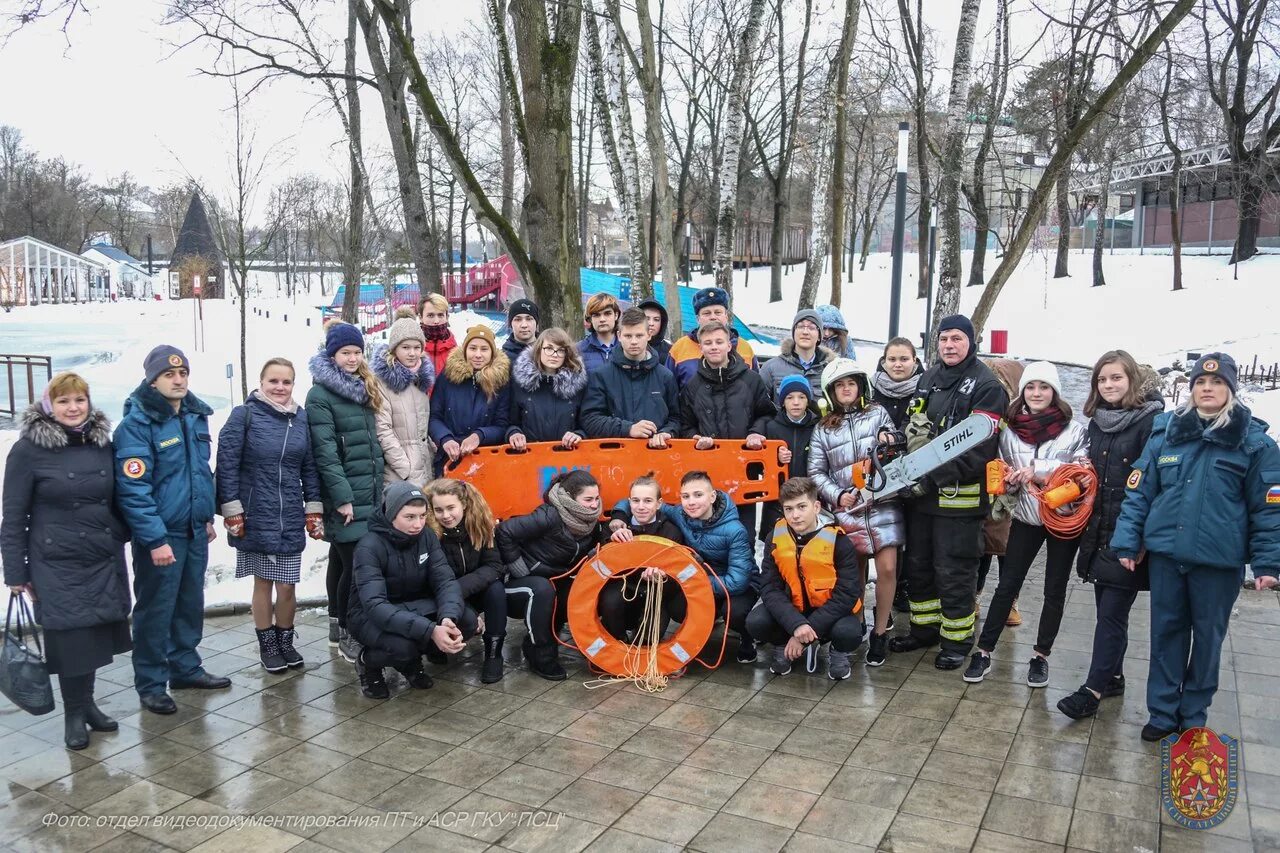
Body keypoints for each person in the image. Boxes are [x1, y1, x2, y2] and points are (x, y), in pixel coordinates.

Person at [1111, 352, 1280, 741]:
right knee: (1166, 634)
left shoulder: (1253, 443)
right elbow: (1139, 493)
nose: (1208, 388)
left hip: (1217, 563)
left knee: (1207, 640)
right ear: (1191, 389)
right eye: (1201, 383)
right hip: (1168, 557)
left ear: (1230, 391)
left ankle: (1193, 713)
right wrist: (1127, 539)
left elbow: (1268, 509)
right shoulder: (1167, 433)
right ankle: (1163, 711)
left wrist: (1268, 564)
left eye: (1217, 383)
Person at [2, 373, 131, 747]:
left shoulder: (101, 443)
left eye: (79, 400)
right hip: (56, 563)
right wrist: (15, 571)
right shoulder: (27, 450)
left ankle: (87, 705)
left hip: (100, 557)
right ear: (48, 406)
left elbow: (116, 498)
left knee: (92, 638)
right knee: (72, 640)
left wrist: (120, 532)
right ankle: (73, 715)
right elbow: (13, 517)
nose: (73, 408)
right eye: (63, 402)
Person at [114, 346, 228, 715]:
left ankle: (185, 668)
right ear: (153, 380)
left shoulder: (194, 416)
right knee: (156, 610)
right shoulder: (137, 425)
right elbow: (134, 489)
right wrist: (155, 539)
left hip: (193, 530)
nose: (178, 380)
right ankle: (150, 683)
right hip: (161, 537)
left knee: (189, 604)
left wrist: (206, 515)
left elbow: (199, 472)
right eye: (169, 375)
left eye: (183, 374)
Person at [890, 315, 1009, 670]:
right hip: (921, 498)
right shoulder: (929, 377)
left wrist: (932, 476)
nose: (949, 345)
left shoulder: (988, 387)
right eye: (943, 339)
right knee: (919, 566)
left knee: (954, 571)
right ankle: (924, 628)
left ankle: (957, 641)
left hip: (959, 499)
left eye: (957, 338)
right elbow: (913, 424)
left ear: (971, 342)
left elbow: (980, 450)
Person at [963, 361, 1089, 686]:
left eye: (1043, 387)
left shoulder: (1075, 431)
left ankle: (1041, 656)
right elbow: (1002, 469)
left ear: (1054, 393)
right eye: (1031, 387)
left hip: (1063, 521)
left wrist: (1038, 469)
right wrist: (1006, 478)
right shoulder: (1011, 431)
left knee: (1054, 589)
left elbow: (1083, 473)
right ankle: (985, 650)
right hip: (1026, 517)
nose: (1036, 393)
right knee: (1007, 585)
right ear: (1023, 392)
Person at [1057, 350, 1164, 720]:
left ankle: (1092, 689)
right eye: (1102, 379)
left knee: (1112, 615)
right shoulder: (1098, 422)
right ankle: (1114, 675)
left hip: (1128, 534)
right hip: (1099, 528)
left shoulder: (1152, 423)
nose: (1109, 385)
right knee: (1107, 609)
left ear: (1131, 380)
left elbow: (1153, 486)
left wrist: (1138, 541)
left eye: (1116, 378)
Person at [216, 358, 325, 673]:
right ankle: (267, 645)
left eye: (286, 382)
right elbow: (227, 463)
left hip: (288, 513)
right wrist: (231, 508)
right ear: (261, 383)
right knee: (263, 582)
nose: (280, 387)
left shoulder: (300, 419)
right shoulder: (245, 415)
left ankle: (286, 641)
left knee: (288, 585)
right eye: (273, 381)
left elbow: (310, 467)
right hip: (255, 513)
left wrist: (313, 506)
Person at [808, 359, 903, 667]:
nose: (846, 389)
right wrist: (838, 495)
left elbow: (896, 444)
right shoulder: (823, 429)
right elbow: (816, 472)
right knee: (854, 573)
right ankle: (857, 622)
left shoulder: (877, 413)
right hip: (847, 508)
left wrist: (892, 440)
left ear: (860, 386)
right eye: (840, 385)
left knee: (888, 568)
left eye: (851, 383)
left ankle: (880, 630)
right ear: (831, 392)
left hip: (881, 502)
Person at [610, 470, 759, 663]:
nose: (691, 502)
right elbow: (642, 500)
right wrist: (619, 516)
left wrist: (694, 583)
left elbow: (737, 581)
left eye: (698, 495)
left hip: (737, 586)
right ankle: (707, 622)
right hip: (701, 579)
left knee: (735, 613)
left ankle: (747, 638)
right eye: (686, 496)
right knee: (678, 608)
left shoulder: (735, 531)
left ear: (712, 496)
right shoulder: (681, 513)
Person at [346, 482, 476, 699]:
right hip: (369, 614)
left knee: (466, 622)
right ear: (392, 514)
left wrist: (446, 619)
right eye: (410, 517)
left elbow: (445, 581)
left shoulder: (426, 536)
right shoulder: (369, 546)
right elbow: (375, 605)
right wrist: (430, 630)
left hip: (416, 603)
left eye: (423, 516)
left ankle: (410, 662)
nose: (418, 524)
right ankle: (368, 663)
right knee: (403, 646)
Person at [307, 321, 385, 663]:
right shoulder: (320, 395)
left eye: (356, 352)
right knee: (355, 565)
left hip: (367, 488)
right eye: (345, 353)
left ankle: (337, 626)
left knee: (341, 560)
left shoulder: (362, 387)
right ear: (332, 354)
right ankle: (351, 632)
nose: (352, 358)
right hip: (346, 494)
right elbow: (325, 451)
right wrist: (341, 497)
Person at [747, 477, 866, 680]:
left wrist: (807, 632)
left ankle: (837, 652)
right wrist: (795, 625)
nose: (795, 515)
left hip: (830, 611)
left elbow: (847, 594)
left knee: (849, 632)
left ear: (816, 506)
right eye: (789, 509)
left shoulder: (839, 541)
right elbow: (769, 588)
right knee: (756, 622)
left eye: (802, 507)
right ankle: (782, 644)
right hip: (792, 609)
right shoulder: (774, 537)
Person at [497, 470, 610, 680]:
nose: (595, 505)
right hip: (519, 580)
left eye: (596, 498)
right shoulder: (549, 515)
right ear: (570, 498)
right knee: (544, 590)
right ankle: (541, 655)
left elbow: (597, 540)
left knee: (578, 594)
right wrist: (518, 568)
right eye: (588, 500)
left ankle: (588, 647)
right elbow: (504, 531)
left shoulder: (590, 521)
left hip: (554, 576)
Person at [679, 320, 775, 530]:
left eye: (719, 342)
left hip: (743, 470)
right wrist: (694, 438)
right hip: (707, 471)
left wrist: (756, 433)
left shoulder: (751, 380)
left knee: (743, 534)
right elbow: (685, 424)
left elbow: (767, 414)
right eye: (708, 342)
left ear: (729, 345)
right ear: (701, 347)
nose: (714, 346)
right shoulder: (692, 387)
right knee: (709, 534)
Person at [426, 479, 509, 683]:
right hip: (443, 595)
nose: (445, 515)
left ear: (463, 504)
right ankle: (434, 645)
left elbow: (494, 566)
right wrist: (460, 602)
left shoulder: (481, 524)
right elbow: (432, 578)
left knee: (496, 589)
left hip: (467, 589)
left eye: (450, 508)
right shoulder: (429, 534)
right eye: (439, 510)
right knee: (467, 621)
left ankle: (494, 652)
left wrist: (457, 591)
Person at [599, 475, 686, 643]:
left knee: (645, 642)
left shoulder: (671, 532)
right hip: (623, 587)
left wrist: (662, 578)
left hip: (655, 592)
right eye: (635, 501)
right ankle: (618, 641)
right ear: (629, 502)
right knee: (610, 600)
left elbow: (678, 576)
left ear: (658, 503)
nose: (640, 507)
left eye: (647, 501)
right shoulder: (614, 527)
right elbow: (598, 565)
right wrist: (611, 542)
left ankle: (643, 645)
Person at [581, 307, 680, 445]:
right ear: (619, 335)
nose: (634, 341)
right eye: (628, 336)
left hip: (656, 455)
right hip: (614, 458)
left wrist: (667, 432)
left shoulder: (665, 376)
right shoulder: (601, 375)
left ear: (649, 335)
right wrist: (628, 429)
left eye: (639, 335)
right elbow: (590, 419)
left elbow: (676, 418)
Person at [975, 358, 1025, 625]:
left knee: (1009, 552)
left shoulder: (1021, 419)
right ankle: (975, 597)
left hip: (1012, 494)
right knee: (982, 549)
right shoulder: (982, 411)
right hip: (984, 488)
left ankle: (1010, 602)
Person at [429, 324, 511, 475]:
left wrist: (479, 435)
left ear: (492, 353)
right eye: (473, 348)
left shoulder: (501, 382)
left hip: (486, 460)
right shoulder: (448, 377)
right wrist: (445, 438)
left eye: (484, 349)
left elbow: (503, 425)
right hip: (449, 458)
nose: (478, 355)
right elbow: (434, 416)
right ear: (465, 350)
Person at [372, 317, 436, 488]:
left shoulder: (421, 380)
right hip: (400, 471)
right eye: (405, 348)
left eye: (416, 348)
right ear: (394, 349)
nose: (412, 353)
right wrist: (404, 467)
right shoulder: (383, 382)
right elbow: (383, 429)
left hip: (425, 465)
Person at [760, 375, 820, 541]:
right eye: (789, 397)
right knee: (777, 545)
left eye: (801, 397)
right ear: (782, 401)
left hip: (808, 497)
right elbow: (759, 466)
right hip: (777, 502)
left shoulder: (817, 426)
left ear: (808, 400)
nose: (796, 402)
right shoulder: (771, 427)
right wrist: (775, 457)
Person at [508, 328, 588, 450]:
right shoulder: (521, 384)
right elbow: (510, 422)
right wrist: (514, 433)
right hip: (529, 457)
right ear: (539, 350)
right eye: (549, 349)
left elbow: (587, 423)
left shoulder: (577, 386)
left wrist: (579, 435)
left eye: (560, 350)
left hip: (567, 459)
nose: (554, 355)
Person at [667, 287, 758, 386]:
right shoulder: (679, 348)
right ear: (698, 319)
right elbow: (669, 391)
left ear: (726, 316)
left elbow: (756, 388)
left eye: (718, 312)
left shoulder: (745, 348)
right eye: (707, 313)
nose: (713, 317)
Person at [759, 309, 838, 401]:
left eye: (811, 328)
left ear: (819, 336)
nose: (805, 332)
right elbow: (760, 407)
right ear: (793, 332)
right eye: (800, 326)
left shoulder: (831, 369)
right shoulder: (771, 368)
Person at [871, 337, 924, 429]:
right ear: (884, 361)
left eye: (904, 359)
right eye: (892, 359)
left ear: (914, 360)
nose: (898, 365)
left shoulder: (926, 387)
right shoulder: (870, 388)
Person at [577, 293, 621, 372]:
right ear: (590, 319)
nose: (602, 319)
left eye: (607, 313)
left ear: (616, 315)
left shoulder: (627, 346)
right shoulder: (579, 350)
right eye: (596, 315)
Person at [416, 295, 457, 377]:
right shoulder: (411, 351)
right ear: (421, 317)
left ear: (447, 317)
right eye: (430, 315)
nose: (436, 321)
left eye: (440, 315)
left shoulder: (457, 353)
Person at [502, 298, 540, 363]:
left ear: (536, 322)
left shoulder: (550, 354)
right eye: (518, 320)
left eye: (529, 319)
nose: (524, 325)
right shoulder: (502, 359)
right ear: (511, 324)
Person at [638, 298, 673, 363]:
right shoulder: (625, 346)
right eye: (647, 318)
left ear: (662, 323)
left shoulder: (671, 352)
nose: (651, 323)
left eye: (656, 319)